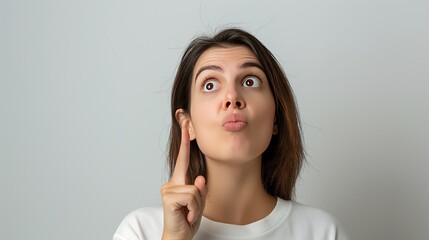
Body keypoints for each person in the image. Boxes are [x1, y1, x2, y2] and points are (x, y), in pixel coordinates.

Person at [113, 28, 348, 240]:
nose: (232, 97)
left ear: (275, 117)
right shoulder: (141, 230)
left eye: (250, 81)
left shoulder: (323, 232)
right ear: (188, 124)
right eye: (210, 85)